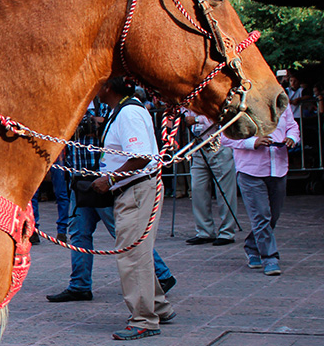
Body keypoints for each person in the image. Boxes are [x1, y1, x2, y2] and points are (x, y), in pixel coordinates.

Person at [47, 99, 176, 305]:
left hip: (106, 178)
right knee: (79, 233)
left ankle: (162, 275)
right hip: (80, 177)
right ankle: (79, 285)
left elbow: (108, 131)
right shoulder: (75, 101)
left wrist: (90, 123)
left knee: (124, 232)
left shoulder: (113, 106)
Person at [90, 77, 174, 340]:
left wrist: (110, 179)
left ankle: (144, 320)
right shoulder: (124, 110)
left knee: (131, 255)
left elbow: (140, 156)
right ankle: (158, 307)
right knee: (139, 252)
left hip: (136, 190)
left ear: (107, 88)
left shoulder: (128, 113)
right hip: (133, 189)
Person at [220, 105, 299, 276]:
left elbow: (292, 125)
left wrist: (292, 137)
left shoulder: (281, 101)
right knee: (261, 215)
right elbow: (225, 136)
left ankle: (252, 245)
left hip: (278, 166)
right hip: (250, 170)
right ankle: (270, 257)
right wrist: (252, 142)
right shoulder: (239, 104)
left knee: (273, 215)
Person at [183, 111, 238, 245]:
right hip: (198, 145)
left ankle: (227, 232)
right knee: (197, 190)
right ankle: (204, 231)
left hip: (218, 144)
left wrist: (196, 119)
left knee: (225, 191)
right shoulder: (189, 102)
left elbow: (219, 116)